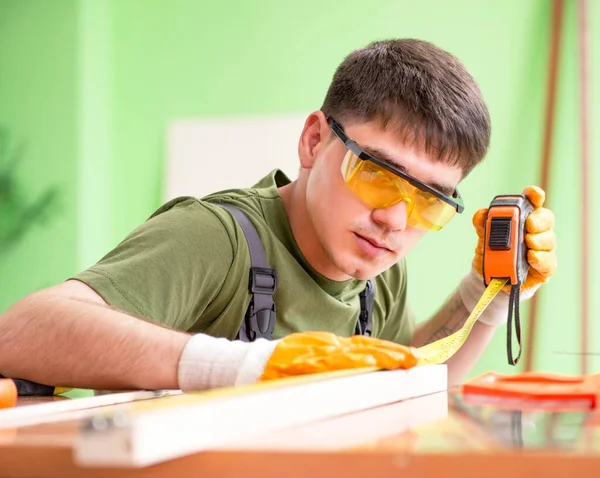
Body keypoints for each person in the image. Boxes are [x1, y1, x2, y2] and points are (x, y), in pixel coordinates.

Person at [0, 39, 557, 393]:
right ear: (314, 141)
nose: (394, 218)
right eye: (378, 174)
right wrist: (241, 368)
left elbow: (408, 386)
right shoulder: (217, 238)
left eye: (430, 199)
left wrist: (484, 299)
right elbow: (19, 333)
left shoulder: (376, 271)